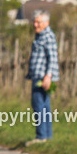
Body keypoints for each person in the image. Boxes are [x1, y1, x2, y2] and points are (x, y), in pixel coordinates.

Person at [26, 10, 59, 144]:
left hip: (43, 77)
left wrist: (48, 76)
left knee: (38, 104)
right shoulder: (40, 36)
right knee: (44, 105)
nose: (35, 25)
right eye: (34, 22)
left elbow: (52, 58)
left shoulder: (48, 36)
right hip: (38, 75)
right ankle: (46, 137)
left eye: (38, 22)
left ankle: (41, 136)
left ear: (46, 23)